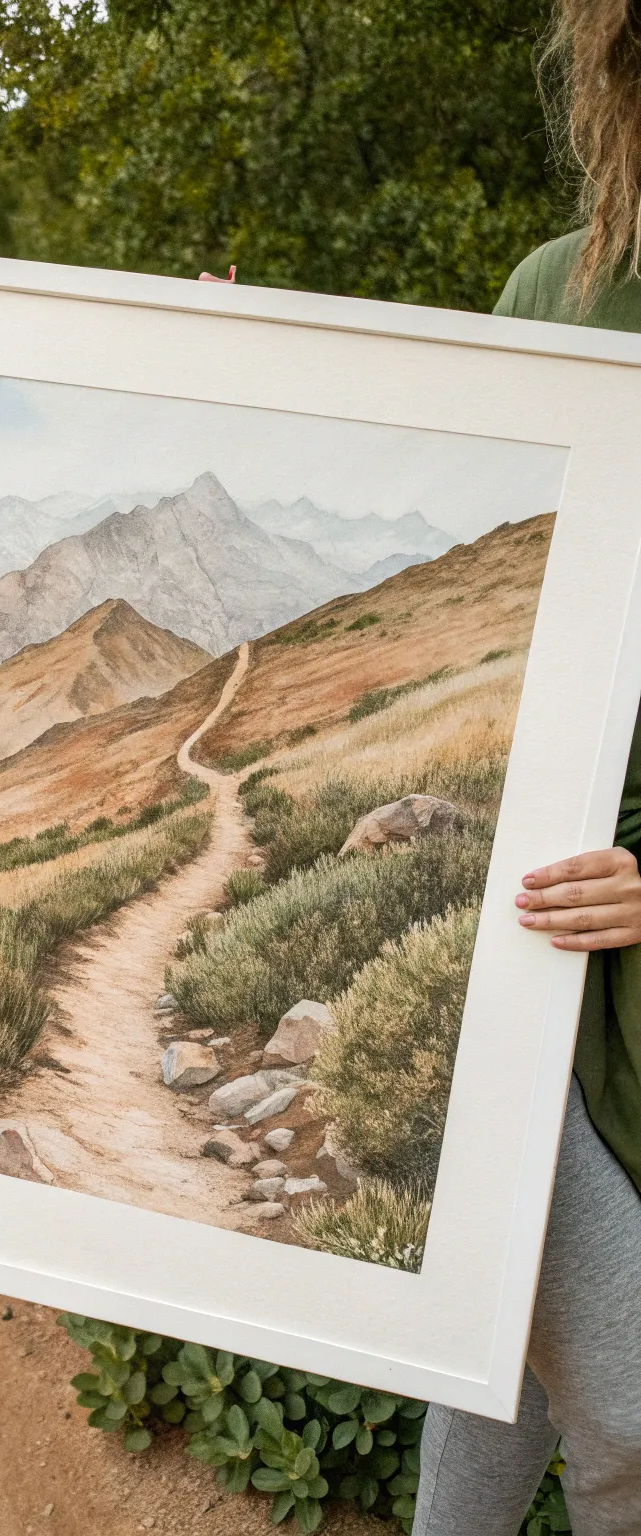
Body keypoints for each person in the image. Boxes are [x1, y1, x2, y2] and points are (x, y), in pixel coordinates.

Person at [411, 5, 641, 1532]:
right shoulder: (555, 295)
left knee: (625, 1419)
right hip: (532, 949)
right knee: (481, 1376)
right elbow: (485, 592)